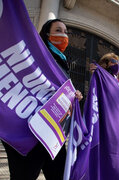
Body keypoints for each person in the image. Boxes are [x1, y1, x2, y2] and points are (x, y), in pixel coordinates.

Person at [2, 19, 83, 180]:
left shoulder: (62, 61)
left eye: (66, 32)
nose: (64, 35)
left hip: (53, 134)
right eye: (58, 30)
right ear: (47, 34)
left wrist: (75, 97)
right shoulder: (35, 57)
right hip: (30, 133)